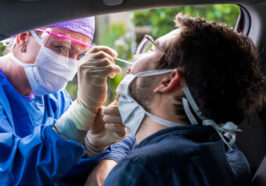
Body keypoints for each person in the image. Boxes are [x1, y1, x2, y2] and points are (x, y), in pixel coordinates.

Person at [0, 17, 127, 185]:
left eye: (79, 55)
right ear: (23, 39)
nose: (69, 62)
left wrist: (91, 146)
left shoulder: (54, 97)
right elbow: (8, 176)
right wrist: (81, 111)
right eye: (60, 47)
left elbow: (53, 172)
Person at [102, 14, 265, 186]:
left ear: (168, 81)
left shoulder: (145, 169)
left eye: (152, 49)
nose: (135, 58)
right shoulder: (218, 153)